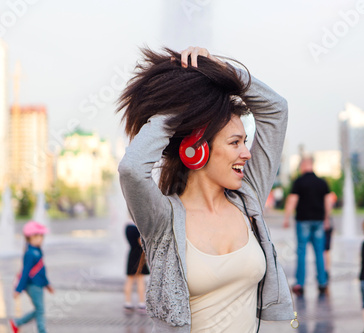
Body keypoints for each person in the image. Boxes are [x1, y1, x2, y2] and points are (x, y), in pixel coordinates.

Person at [117, 46, 294, 332]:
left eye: (245, 142)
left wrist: (220, 68)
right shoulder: (163, 220)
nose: (247, 153)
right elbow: (132, 169)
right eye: (235, 143)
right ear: (195, 150)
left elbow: (276, 109)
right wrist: (183, 103)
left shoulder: (248, 199)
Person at [283, 156, 332, 296]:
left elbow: (292, 200)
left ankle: (300, 283)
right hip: (318, 221)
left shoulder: (299, 182)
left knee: (301, 252)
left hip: (303, 220)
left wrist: (286, 218)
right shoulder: (322, 182)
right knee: (319, 252)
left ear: (304, 165)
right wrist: (326, 219)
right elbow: (328, 202)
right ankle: (322, 283)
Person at [10, 221, 54, 333]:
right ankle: (41, 330)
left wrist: (47, 284)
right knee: (40, 310)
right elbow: (25, 273)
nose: (42, 239)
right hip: (33, 286)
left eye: (42, 236)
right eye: (39, 236)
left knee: (39, 310)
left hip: (39, 285)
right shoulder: (30, 253)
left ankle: (17, 323)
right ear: (31, 237)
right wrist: (18, 289)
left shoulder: (37, 251)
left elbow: (42, 271)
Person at [124, 223, 149, 312]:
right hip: (139, 255)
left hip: (131, 254)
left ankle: (127, 303)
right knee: (140, 280)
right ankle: (141, 303)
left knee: (129, 279)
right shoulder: (137, 228)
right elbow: (140, 242)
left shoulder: (127, 227)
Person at [324, 191, 337, 280]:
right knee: (326, 250)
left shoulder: (327, 195)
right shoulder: (329, 195)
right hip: (328, 223)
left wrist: (326, 220)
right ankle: (326, 270)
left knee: (324, 249)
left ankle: (326, 270)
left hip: (325, 223)